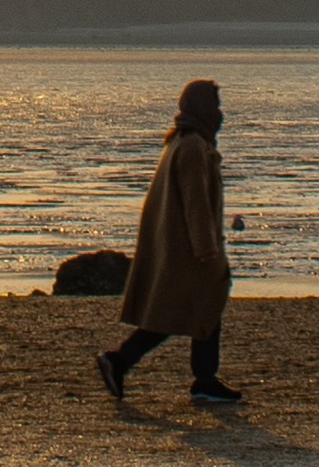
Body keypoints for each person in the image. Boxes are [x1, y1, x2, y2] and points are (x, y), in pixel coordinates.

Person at [96, 78, 241, 402]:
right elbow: (196, 204)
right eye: (215, 106)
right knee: (187, 310)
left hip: (179, 248)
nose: (220, 114)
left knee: (189, 311)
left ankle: (201, 378)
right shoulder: (192, 147)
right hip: (189, 251)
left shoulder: (183, 142)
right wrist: (207, 250)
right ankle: (124, 361)